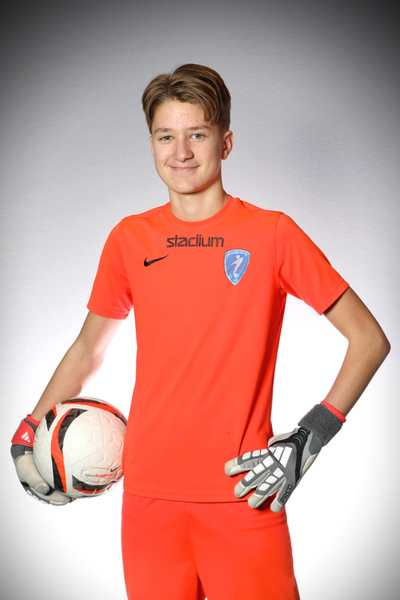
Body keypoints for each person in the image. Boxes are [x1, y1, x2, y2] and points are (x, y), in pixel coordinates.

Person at [11, 64, 390, 599]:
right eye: (166, 136)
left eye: (198, 134)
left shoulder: (271, 234)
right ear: (151, 144)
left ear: (225, 143)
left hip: (243, 494)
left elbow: (369, 340)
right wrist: (30, 428)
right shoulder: (129, 239)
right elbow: (88, 349)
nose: (181, 152)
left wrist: (309, 438)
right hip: (148, 501)